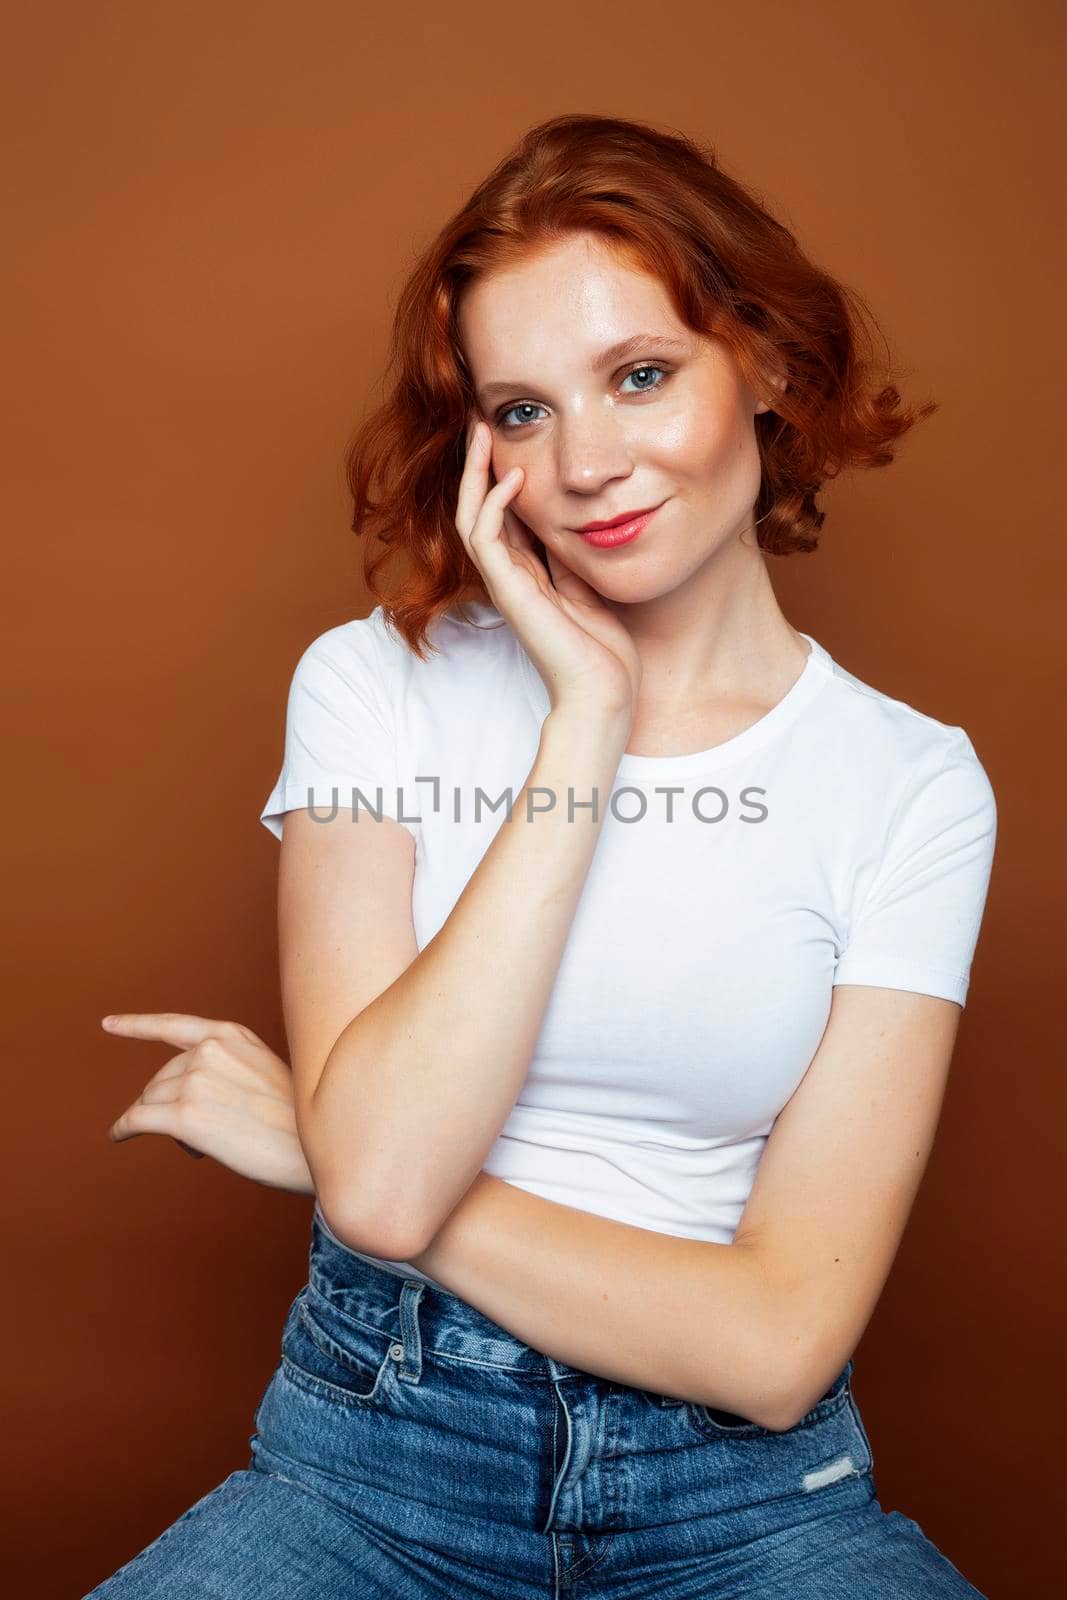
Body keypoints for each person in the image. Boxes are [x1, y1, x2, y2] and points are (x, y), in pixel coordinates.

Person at [87, 113, 997, 1597]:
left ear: (762, 363)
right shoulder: (374, 684)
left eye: (639, 377)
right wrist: (587, 718)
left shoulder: (909, 785)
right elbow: (380, 1190)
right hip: (378, 1458)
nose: (584, 463)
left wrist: (320, 1146)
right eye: (520, 410)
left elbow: (774, 1347)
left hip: (746, 1500)